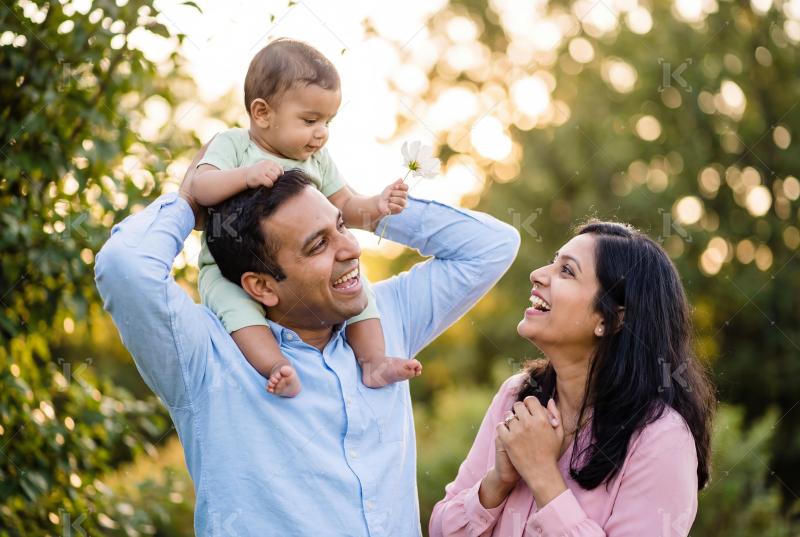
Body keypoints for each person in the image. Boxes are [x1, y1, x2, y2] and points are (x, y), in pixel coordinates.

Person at [94, 144, 520, 535]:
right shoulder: (206, 358)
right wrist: (188, 202)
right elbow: (124, 267)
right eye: (318, 245)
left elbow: (492, 245)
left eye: (340, 227)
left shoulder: (384, 319)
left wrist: (363, 210)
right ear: (262, 287)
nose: (350, 248)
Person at [429, 221, 716, 537]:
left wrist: (542, 477)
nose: (538, 274)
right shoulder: (517, 396)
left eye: (567, 271)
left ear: (612, 319)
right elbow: (442, 528)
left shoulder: (661, 439)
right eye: (553, 262)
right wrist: (497, 482)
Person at [193, 38, 420, 396]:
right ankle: (277, 367)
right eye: (310, 120)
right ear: (263, 113)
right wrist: (245, 176)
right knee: (237, 312)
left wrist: (376, 205)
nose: (321, 133)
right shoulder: (234, 144)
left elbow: (344, 203)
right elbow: (200, 188)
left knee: (362, 296)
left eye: (328, 121)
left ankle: (374, 361)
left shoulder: (317, 161)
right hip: (226, 269)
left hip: (292, 274)